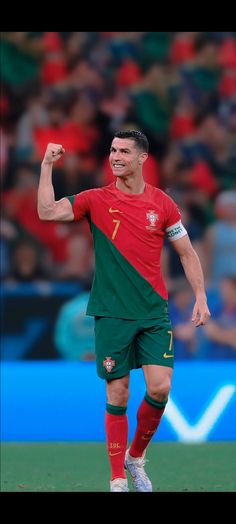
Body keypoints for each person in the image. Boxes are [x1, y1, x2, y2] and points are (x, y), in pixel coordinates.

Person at [37, 130, 211, 492]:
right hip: (112, 312)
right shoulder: (96, 199)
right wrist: (47, 166)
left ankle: (135, 457)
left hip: (152, 312)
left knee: (160, 388)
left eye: (124, 151)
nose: (115, 156)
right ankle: (117, 478)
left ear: (142, 158)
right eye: (112, 150)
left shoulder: (162, 204)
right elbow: (47, 211)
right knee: (118, 395)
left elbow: (187, 253)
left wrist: (200, 295)